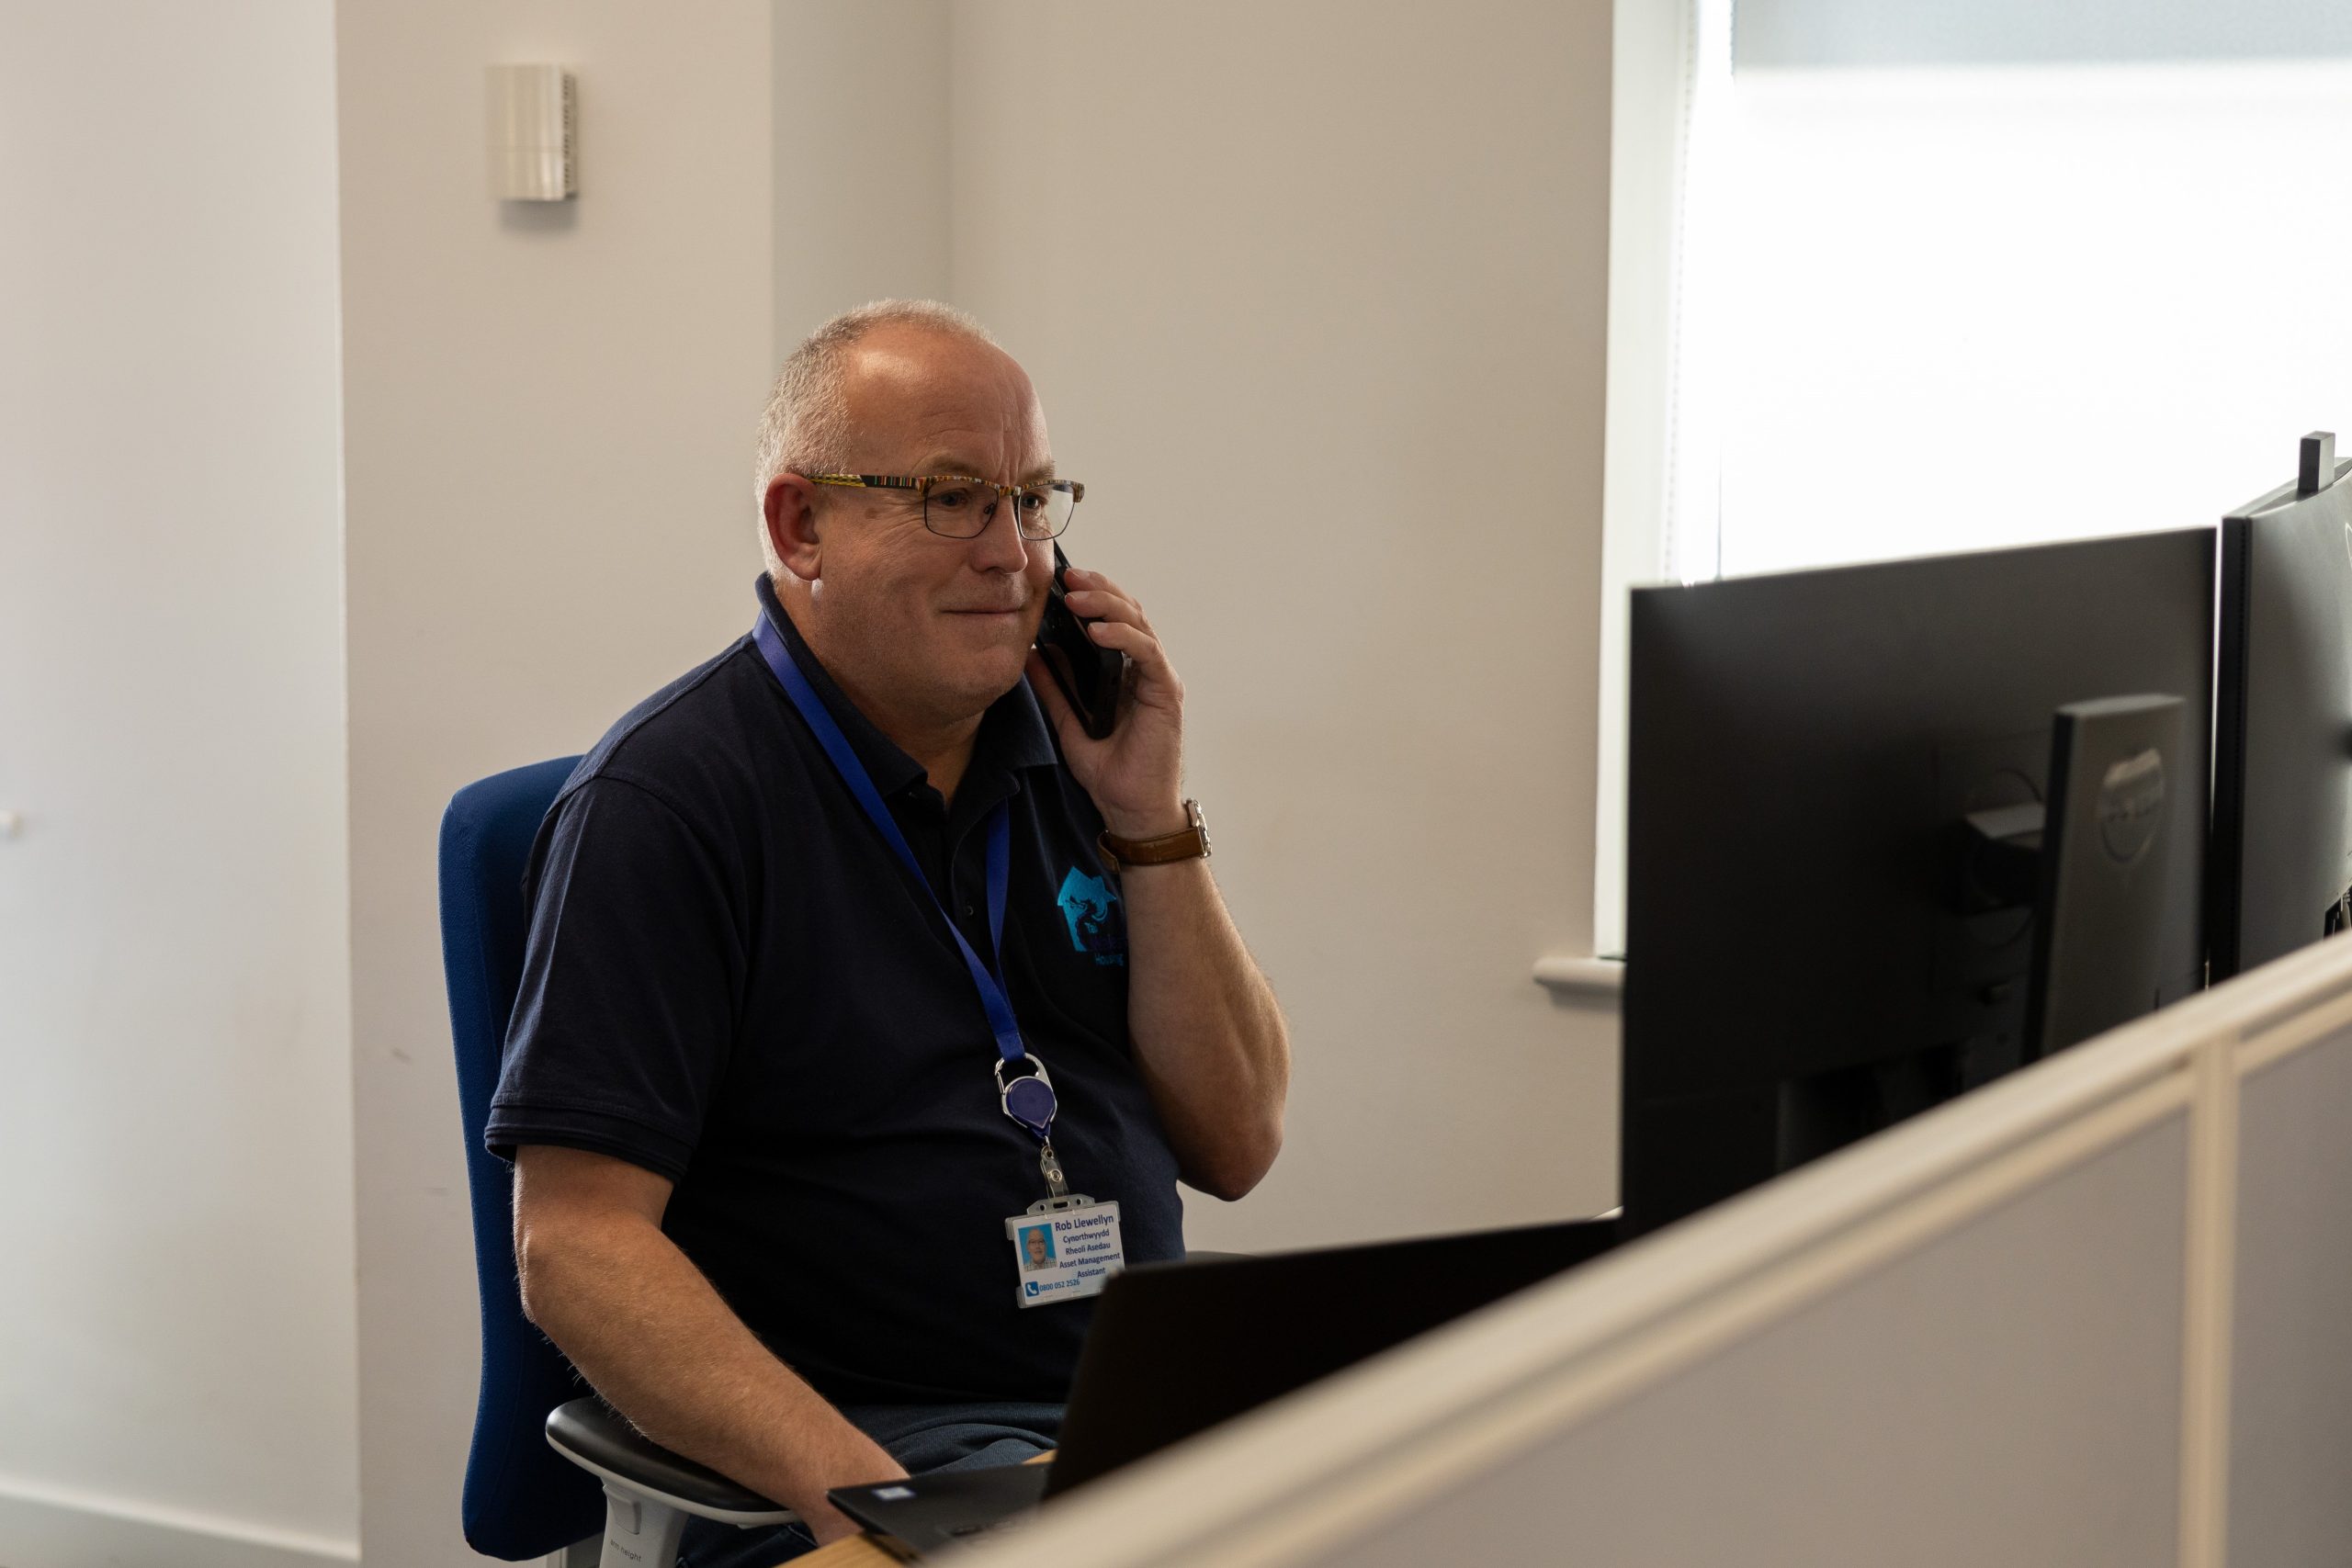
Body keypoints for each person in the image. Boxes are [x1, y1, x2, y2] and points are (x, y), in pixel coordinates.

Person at [488, 299, 1290, 1561]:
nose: (1015, 557)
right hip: (867, 1453)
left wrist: (1150, 816)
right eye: (955, 498)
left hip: (1131, 1417)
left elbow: (1239, 1143)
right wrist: (882, 1509)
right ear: (801, 525)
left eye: (1033, 502)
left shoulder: (1078, 758)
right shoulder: (667, 804)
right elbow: (575, 1245)